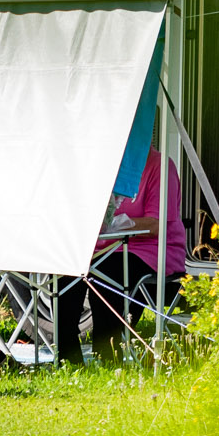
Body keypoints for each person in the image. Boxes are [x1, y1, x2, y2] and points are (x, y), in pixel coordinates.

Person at [58, 149, 188, 364]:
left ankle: (108, 354)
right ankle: (68, 359)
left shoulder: (159, 166)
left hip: (152, 251)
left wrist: (116, 224)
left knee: (108, 271)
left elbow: (155, 225)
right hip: (107, 249)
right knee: (68, 269)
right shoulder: (104, 165)